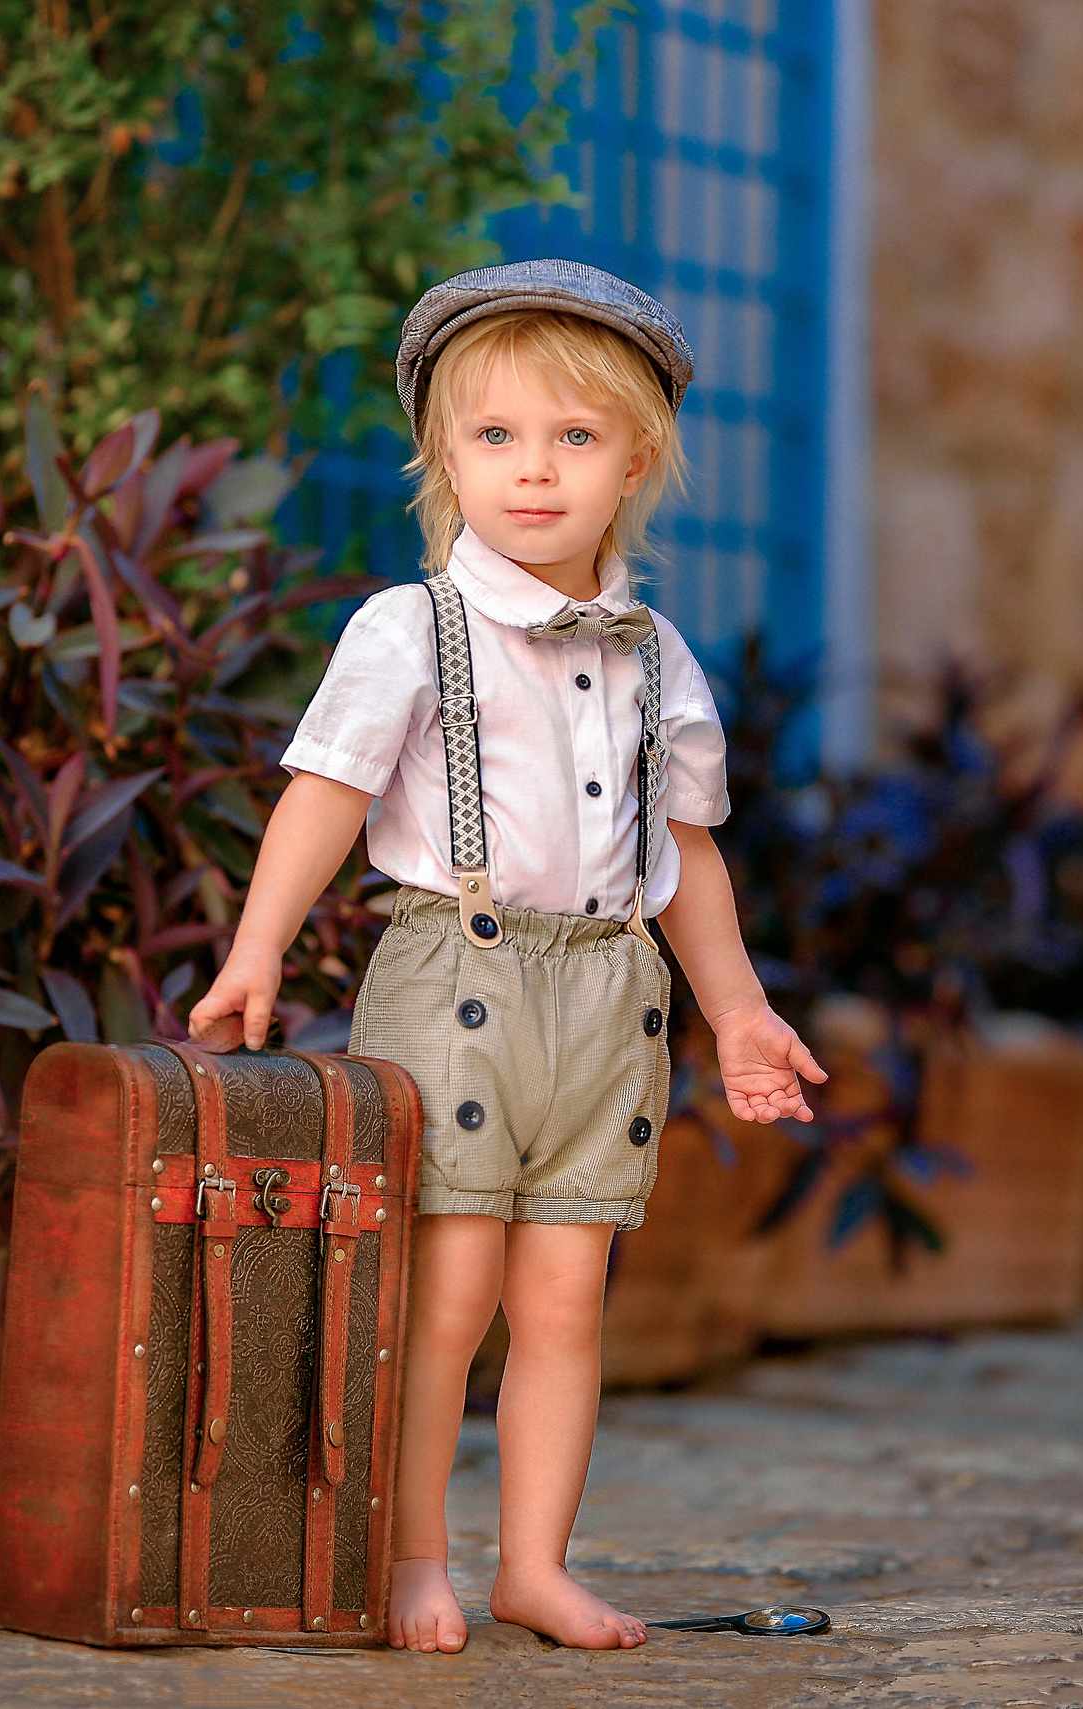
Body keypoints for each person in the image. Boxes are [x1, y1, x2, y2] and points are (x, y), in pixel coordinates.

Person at [186, 260, 824, 1654]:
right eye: (496, 438)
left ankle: (534, 1562)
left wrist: (740, 1011)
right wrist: (256, 953)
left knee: (565, 1301)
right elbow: (326, 793)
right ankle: (412, 1553)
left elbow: (688, 857)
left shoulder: (661, 656)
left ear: (637, 457)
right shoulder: (410, 629)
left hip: (607, 994)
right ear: (442, 457)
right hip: (455, 982)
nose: (533, 474)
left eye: (574, 438)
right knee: (450, 1290)